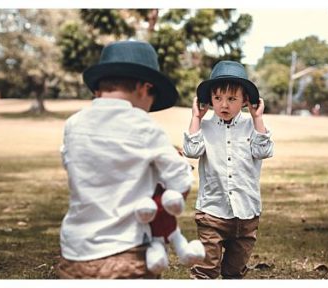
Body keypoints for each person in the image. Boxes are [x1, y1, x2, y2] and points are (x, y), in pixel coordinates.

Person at [56, 41, 193, 279]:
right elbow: (180, 183)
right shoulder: (145, 126)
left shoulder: (73, 125)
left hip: (75, 252)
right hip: (127, 251)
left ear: (98, 90)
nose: (149, 109)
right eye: (153, 100)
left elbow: (76, 164)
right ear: (144, 88)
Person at [184, 60, 274, 279]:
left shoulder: (252, 126)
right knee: (206, 269)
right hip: (212, 212)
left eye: (232, 99)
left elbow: (264, 150)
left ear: (245, 101)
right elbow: (191, 150)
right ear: (209, 100)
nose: (224, 105)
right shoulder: (204, 127)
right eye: (218, 98)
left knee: (235, 272)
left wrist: (258, 118)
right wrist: (196, 117)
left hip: (246, 214)